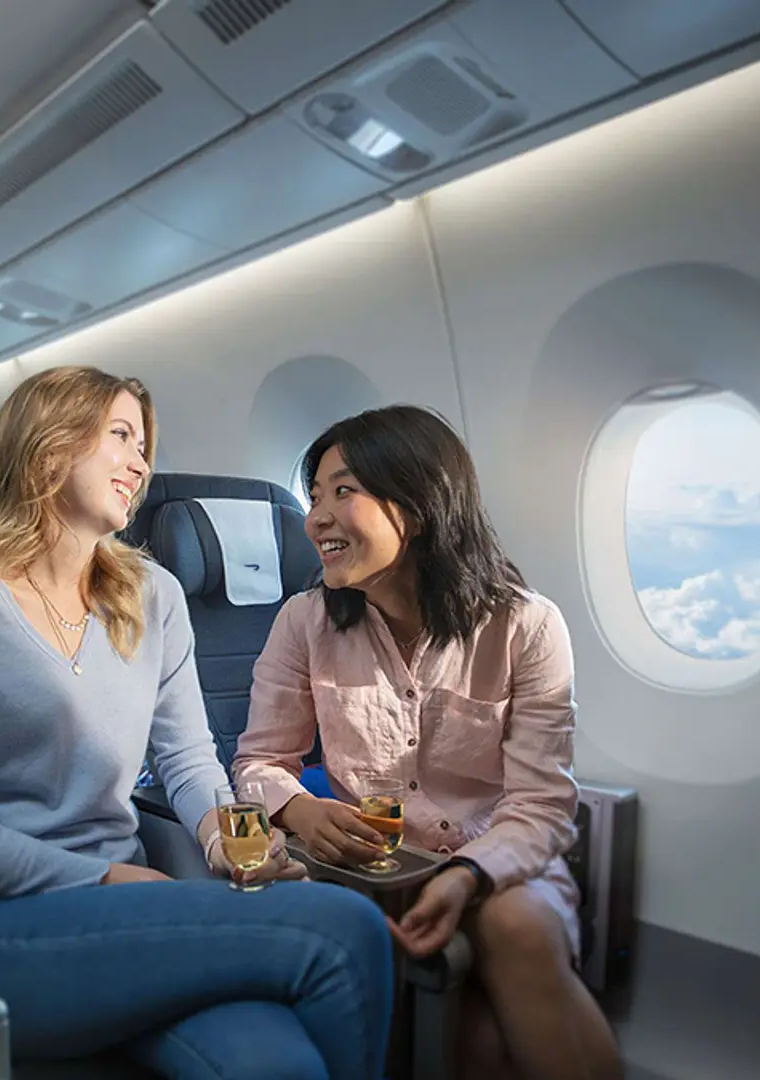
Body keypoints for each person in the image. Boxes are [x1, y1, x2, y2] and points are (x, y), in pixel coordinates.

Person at [0, 366, 395, 1080]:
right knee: (347, 928)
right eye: (120, 436)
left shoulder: (151, 595)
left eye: (144, 442)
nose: (142, 462)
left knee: (277, 1065)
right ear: (48, 447)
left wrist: (230, 841)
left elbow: (188, 757)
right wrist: (112, 881)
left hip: (129, 905)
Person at [233, 405, 624, 1080]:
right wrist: (298, 809)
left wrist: (466, 875)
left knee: (513, 931)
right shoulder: (304, 622)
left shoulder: (526, 627)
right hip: (376, 867)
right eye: (315, 495)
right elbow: (259, 761)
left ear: (417, 507)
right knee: (475, 1044)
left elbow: (539, 810)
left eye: (343, 491)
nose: (316, 516)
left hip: (497, 861)